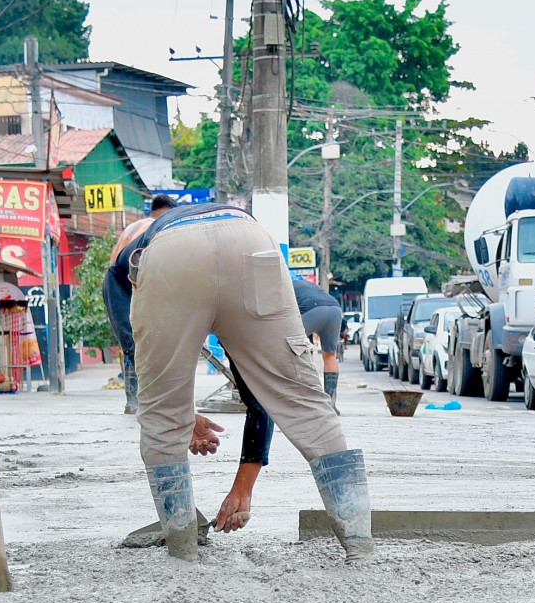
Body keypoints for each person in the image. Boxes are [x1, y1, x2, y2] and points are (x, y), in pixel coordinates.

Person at [113, 200, 373, 561]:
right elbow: (259, 397)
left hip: (173, 256)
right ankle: (360, 546)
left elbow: (119, 294)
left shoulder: (135, 241)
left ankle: (183, 550)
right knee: (305, 403)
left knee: (162, 417)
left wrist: (171, 403)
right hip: (250, 239)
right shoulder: (209, 215)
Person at [101, 194, 176, 414]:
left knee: (142, 342)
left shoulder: (144, 226)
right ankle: (137, 402)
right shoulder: (154, 229)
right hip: (120, 283)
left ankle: (142, 401)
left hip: (130, 281)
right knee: (135, 344)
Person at [292, 277, 345, 410]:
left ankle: (298, 397)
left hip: (313, 310)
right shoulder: (308, 284)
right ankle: (331, 403)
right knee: (329, 355)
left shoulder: (285, 286)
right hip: (335, 309)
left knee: (290, 347)